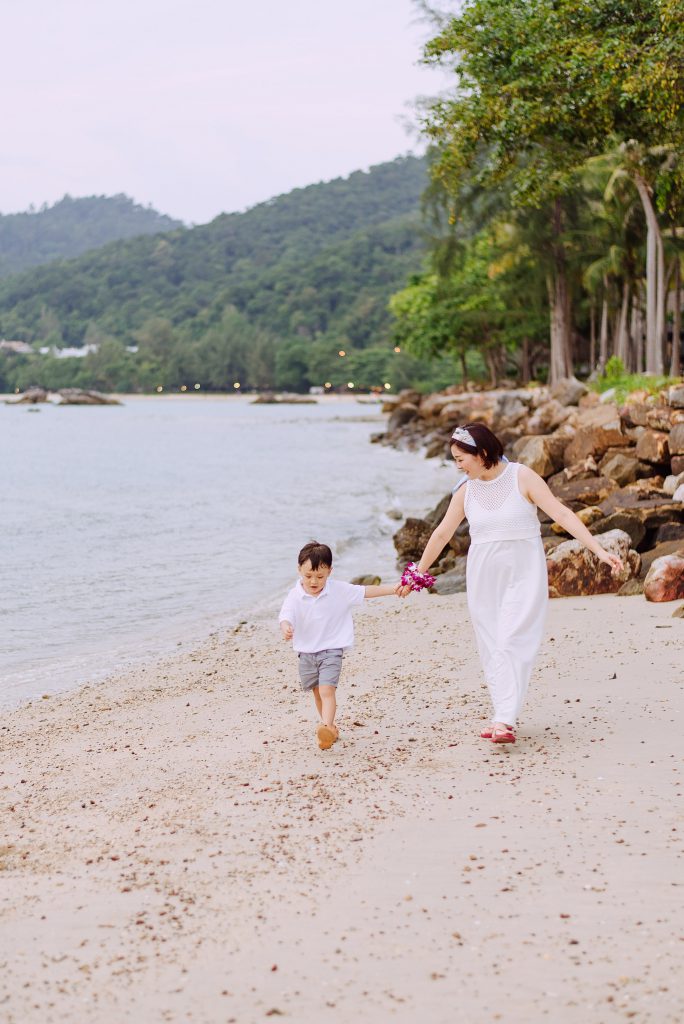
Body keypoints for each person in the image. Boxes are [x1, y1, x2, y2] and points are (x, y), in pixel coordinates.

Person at [398, 422, 623, 745]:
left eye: (461, 458)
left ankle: (504, 719)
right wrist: (417, 573)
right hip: (482, 576)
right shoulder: (466, 489)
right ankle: (503, 712)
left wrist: (599, 550)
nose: (457, 465)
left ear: (483, 453)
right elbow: (443, 533)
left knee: (511, 639)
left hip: (523, 573)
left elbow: (562, 514)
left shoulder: (522, 477)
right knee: (491, 645)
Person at [279, 540, 399, 750]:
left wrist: (394, 589)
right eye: (308, 576)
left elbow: (366, 591)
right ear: (299, 570)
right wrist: (286, 626)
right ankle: (330, 728)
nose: (314, 581)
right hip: (306, 653)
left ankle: (325, 726)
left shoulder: (338, 591)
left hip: (331, 651)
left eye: (320, 576)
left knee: (327, 691)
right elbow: (286, 614)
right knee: (317, 694)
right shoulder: (295, 595)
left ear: (330, 572)